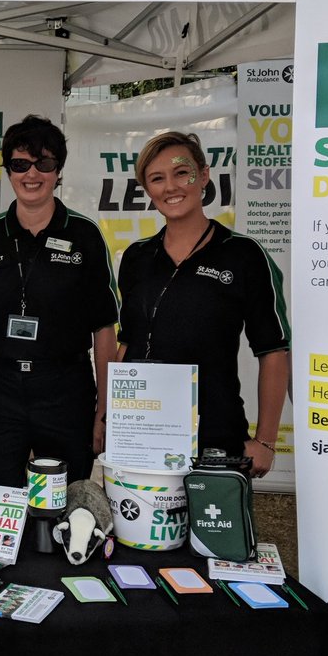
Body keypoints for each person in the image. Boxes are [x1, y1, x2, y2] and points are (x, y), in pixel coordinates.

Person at [117, 130, 290, 478]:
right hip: (140, 437)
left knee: (212, 533)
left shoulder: (243, 255)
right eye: (157, 178)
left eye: (182, 173)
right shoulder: (136, 257)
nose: (171, 187)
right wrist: (111, 418)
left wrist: (266, 441)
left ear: (204, 175)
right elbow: (126, 345)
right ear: (147, 190)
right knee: (136, 534)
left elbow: (274, 350)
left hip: (217, 436)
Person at [0, 114, 119, 487]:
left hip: (64, 388)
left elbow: (104, 327)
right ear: (8, 171)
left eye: (44, 163)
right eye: (20, 164)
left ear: (58, 170)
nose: (31, 174)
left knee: (67, 500)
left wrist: (105, 410)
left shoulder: (84, 235)